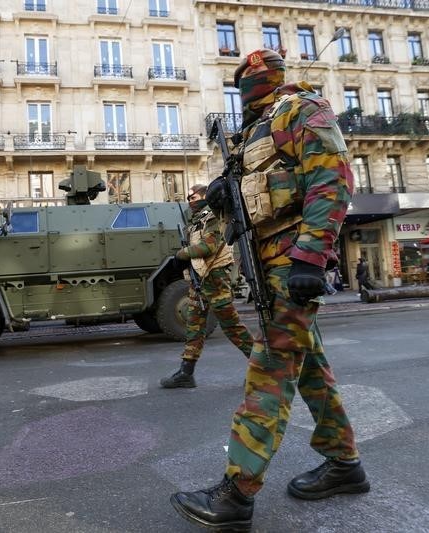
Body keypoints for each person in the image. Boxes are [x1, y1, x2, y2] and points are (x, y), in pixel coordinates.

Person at [170, 48, 368, 531]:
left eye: (253, 81)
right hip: (268, 261)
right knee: (310, 366)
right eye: (241, 84)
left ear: (272, 79)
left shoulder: (301, 110)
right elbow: (255, 193)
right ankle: (344, 464)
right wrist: (223, 186)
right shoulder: (251, 133)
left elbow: (332, 179)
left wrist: (311, 255)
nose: (246, 91)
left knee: (271, 368)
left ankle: (237, 493)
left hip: (292, 260)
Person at [160, 183, 254, 388]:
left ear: (203, 196)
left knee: (232, 327)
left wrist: (182, 254)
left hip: (215, 278)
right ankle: (186, 372)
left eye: (192, 197)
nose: (189, 201)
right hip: (201, 279)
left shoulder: (211, 216)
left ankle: (263, 368)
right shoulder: (194, 223)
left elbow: (209, 246)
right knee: (194, 326)